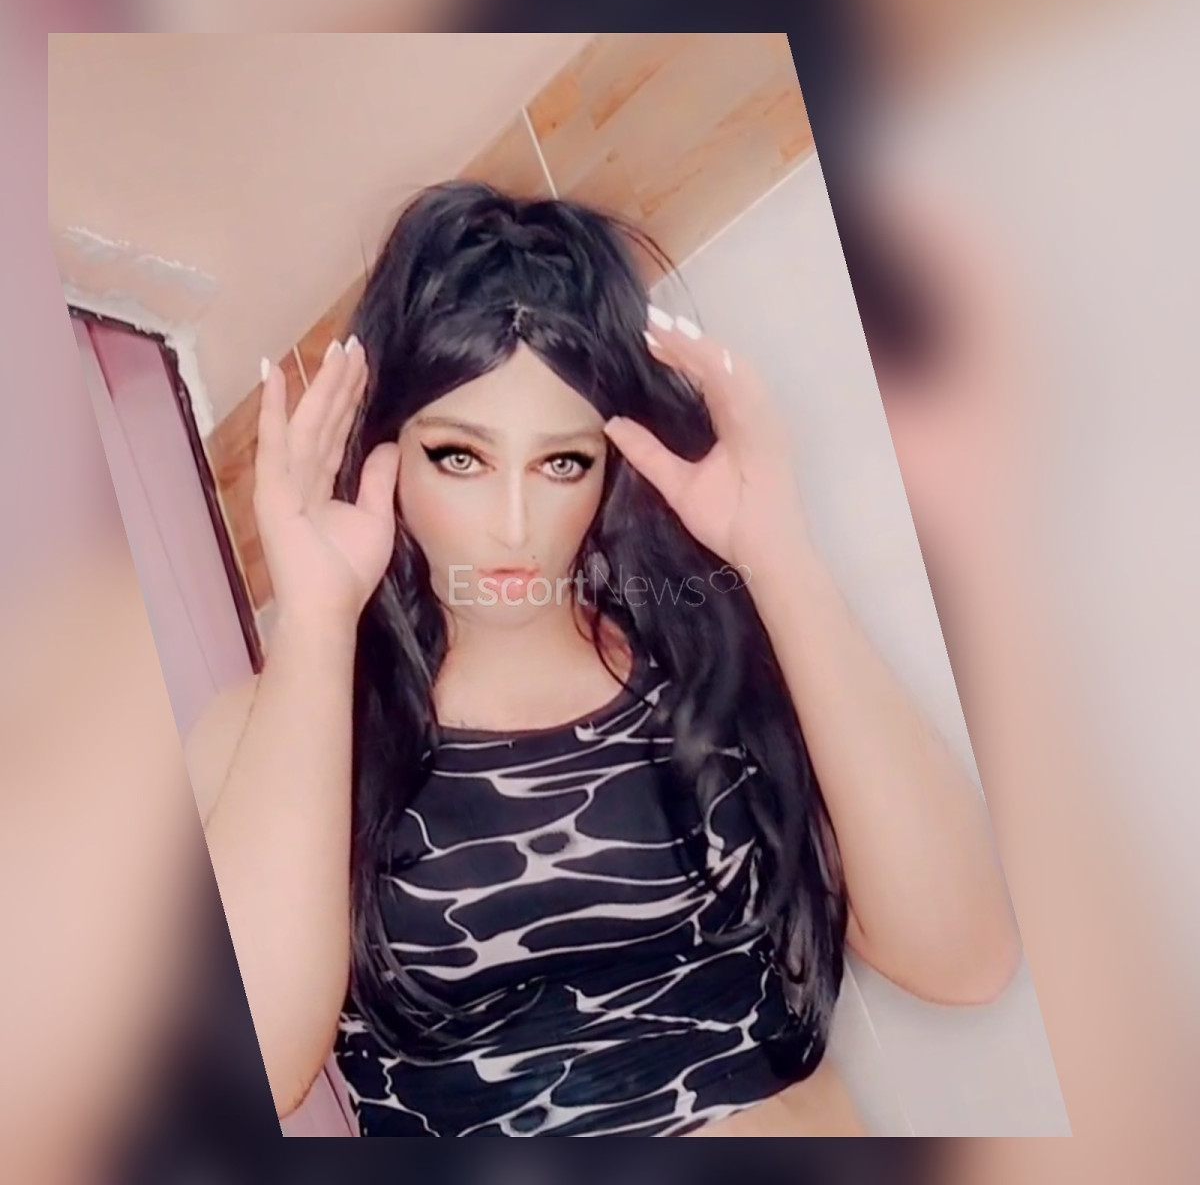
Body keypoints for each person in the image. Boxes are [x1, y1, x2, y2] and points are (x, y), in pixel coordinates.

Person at [187, 181, 1020, 1137]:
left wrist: (780, 555)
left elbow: (964, 961)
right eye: (460, 456)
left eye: (562, 462)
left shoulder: (705, 659)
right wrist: (316, 622)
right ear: (386, 450)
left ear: (610, 466)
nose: (513, 526)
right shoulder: (270, 725)